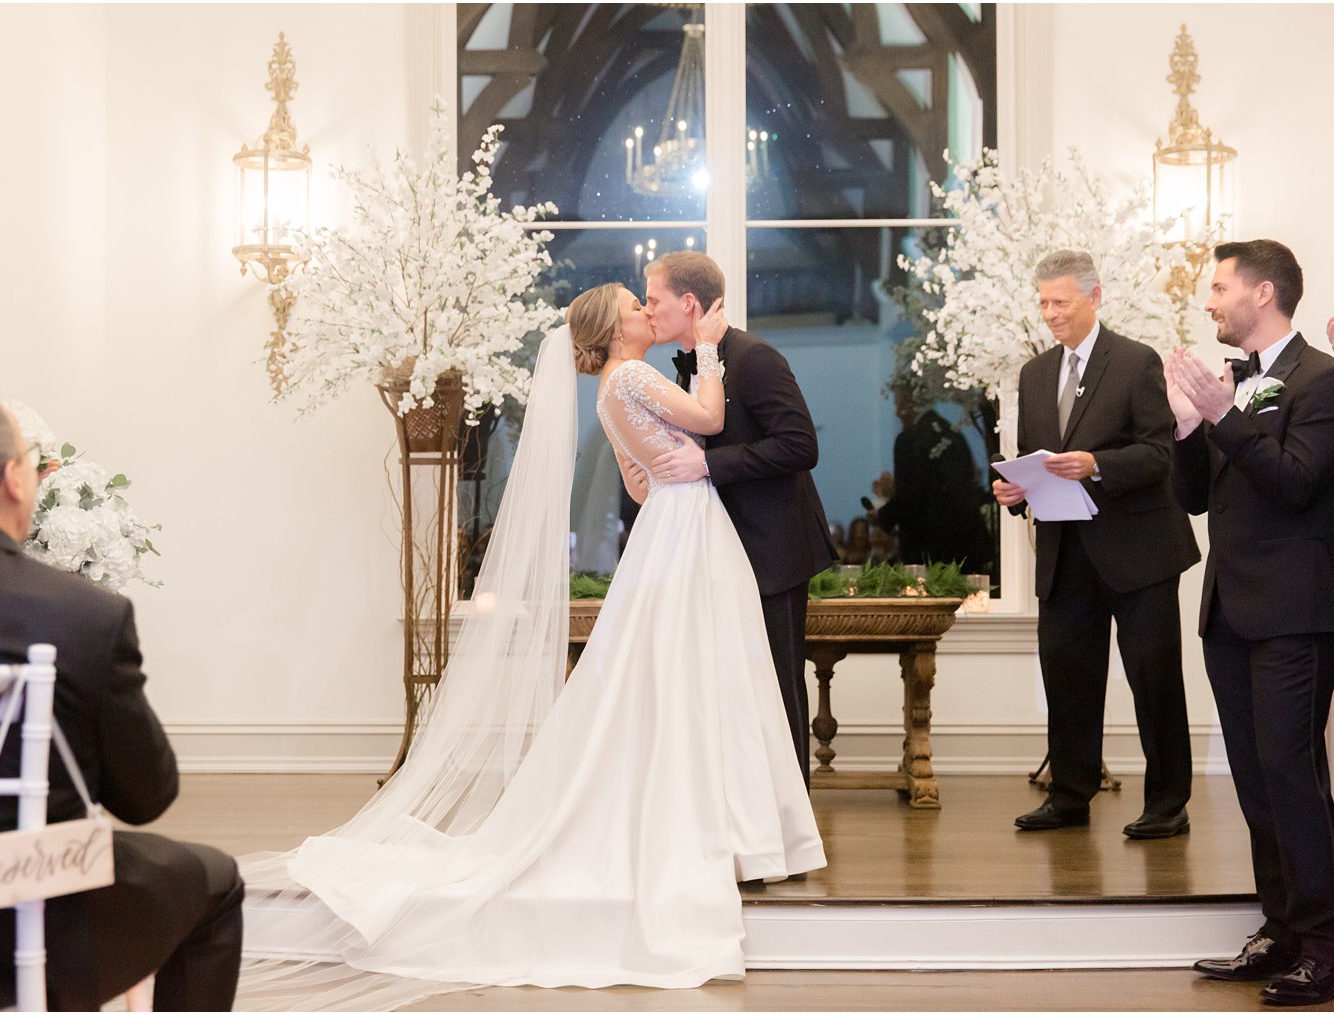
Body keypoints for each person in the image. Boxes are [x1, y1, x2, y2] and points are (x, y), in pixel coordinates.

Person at [239, 287, 824, 1007]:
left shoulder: (614, 389)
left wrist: (669, 462)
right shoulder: (635, 375)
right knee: (699, 673)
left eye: (647, 301)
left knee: (682, 673)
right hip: (688, 524)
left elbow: (639, 486)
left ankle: (721, 819)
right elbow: (708, 417)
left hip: (671, 523)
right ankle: (731, 826)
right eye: (633, 307)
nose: (645, 310)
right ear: (614, 331)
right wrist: (707, 351)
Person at [0, 379, 244, 1011]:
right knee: (215, 880)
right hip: (34, 923)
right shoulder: (84, 615)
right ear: (13, 479)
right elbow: (147, 799)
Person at [1168, 240, 1334, 1006]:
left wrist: (1225, 418)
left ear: (1265, 292)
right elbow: (1193, 499)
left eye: (1219, 287)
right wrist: (1189, 425)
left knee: (1291, 774)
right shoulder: (1229, 382)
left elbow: (1293, 484)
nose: (1209, 300)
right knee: (1254, 781)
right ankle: (1279, 928)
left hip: (1297, 606)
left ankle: (1326, 949)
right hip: (1231, 608)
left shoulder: (1326, 381)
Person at [992, 249, 1200, 838]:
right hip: (1064, 554)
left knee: (1154, 680)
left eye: (1061, 302)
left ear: (1095, 297)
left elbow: (1160, 455)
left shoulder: (1136, 362)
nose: (1050, 313)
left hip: (1139, 552)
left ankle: (1167, 804)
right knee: (1067, 678)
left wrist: (1096, 465)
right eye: (1043, 302)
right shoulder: (1033, 375)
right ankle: (1069, 796)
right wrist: (1018, 492)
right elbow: (1039, 462)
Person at [643, 251, 836, 789]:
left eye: (653, 299)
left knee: (777, 688)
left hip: (771, 552)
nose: (646, 309)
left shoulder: (754, 358)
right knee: (730, 690)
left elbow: (801, 445)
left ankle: (791, 820)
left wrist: (707, 463)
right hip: (718, 553)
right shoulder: (687, 365)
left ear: (688, 303)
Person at [874, 382, 994, 573]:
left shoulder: (909, 440)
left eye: (898, 403)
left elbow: (911, 497)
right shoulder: (953, 434)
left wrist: (882, 517)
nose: (897, 412)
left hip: (929, 552)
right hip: (966, 545)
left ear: (910, 401)